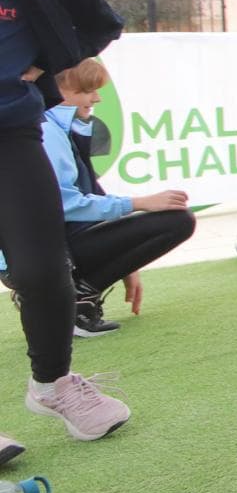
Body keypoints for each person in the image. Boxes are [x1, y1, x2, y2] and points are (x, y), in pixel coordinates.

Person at [0, 0, 130, 444]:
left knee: (42, 267)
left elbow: (102, 23)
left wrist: (47, 71)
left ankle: (52, 382)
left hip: (11, 137)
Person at [41, 58, 197, 335]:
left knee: (177, 219)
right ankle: (71, 300)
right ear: (59, 90)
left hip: (51, 249)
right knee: (178, 220)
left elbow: (87, 194)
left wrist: (127, 264)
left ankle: (74, 297)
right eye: (87, 90)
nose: (96, 98)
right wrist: (137, 203)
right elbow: (63, 205)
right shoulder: (47, 132)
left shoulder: (56, 128)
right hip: (43, 253)